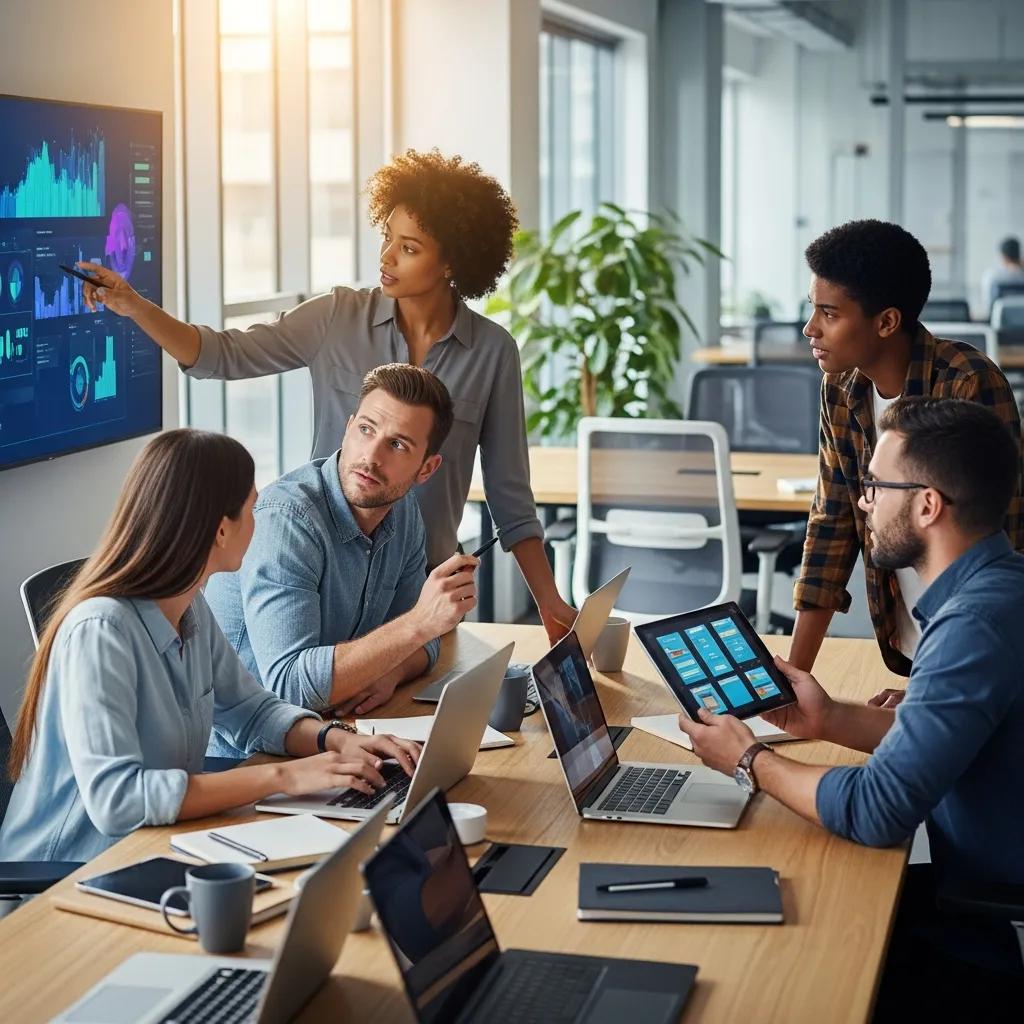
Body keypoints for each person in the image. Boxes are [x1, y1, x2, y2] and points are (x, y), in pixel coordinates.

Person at [76, 149, 575, 644]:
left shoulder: (493, 352)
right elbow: (223, 355)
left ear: (452, 261)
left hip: (424, 590)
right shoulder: (335, 317)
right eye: (386, 237)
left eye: (408, 248)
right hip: (327, 579)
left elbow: (510, 496)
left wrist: (550, 604)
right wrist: (135, 306)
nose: (386, 257)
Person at [678, 398, 1024, 1018]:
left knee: (780, 972)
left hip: (987, 925)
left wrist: (749, 760)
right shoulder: (1002, 588)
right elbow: (953, 738)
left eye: (876, 486)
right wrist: (829, 718)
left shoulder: (973, 623)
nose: (864, 503)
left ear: (927, 505)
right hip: (978, 888)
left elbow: (877, 809)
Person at [0, 429, 418, 864]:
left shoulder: (189, 606)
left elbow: (251, 710)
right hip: (69, 871)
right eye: (252, 508)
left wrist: (334, 741)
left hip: (158, 843)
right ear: (221, 530)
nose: (260, 519)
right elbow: (117, 801)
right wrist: (284, 777)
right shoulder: (100, 631)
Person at [789, 219, 1024, 699]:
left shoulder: (965, 382)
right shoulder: (840, 387)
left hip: (976, 655)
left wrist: (939, 683)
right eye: (813, 308)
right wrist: (790, 682)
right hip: (919, 652)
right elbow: (832, 520)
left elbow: (998, 542)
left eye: (829, 313)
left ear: (887, 322)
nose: (810, 328)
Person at [204, 364, 476, 759]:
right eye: (366, 430)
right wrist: (417, 624)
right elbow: (289, 688)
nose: (371, 456)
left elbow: (426, 641)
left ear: (426, 469)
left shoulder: (402, 512)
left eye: (397, 445)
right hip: (242, 759)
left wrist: (392, 671)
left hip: (334, 739)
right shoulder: (288, 521)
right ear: (348, 429)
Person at [981, 235, 1024, 318]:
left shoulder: (992, 276)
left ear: (1003, 256)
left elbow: (987, 305)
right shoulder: (1021, 274)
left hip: (999, 322)